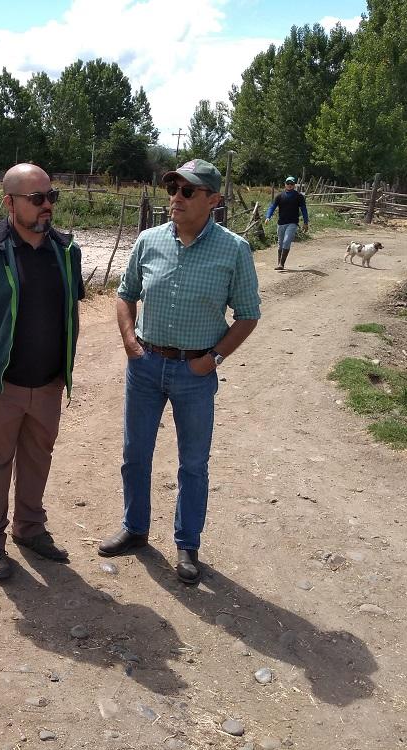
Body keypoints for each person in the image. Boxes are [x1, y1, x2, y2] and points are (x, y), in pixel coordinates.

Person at [98, 159, 261, 585]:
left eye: (188, 191)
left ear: (213, 200)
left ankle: (187, 544)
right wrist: (130, 340)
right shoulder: (149, 241)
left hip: (195, 371)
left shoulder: (234, 250)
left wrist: (213, 360)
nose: (176, 197)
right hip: (146, 365)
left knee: (193, 463)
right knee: (135, 453)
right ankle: (135, 529)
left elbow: (248, 316)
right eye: (173, 188)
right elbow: (124, 295)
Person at [0, 163, 85, 581]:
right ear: (9, 202)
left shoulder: (65, 251)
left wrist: (63, 370)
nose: (47, 206)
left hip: (47, 384)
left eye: (51, 197)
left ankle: (30, 529)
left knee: (37, 459)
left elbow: (71, 310)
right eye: (37, 198)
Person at [265, 176, 309, 270]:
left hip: (292, 223)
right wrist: (268, 217)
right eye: (288, 183)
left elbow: (304, 209)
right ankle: (279, 264)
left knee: (286, 241)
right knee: (280, 243)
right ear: (285, 184)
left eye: (291, 184)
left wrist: (306, 222)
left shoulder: (299, 196)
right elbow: (272, 207)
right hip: (281, 223)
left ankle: (281, 264)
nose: (289, 185)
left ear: (294, 185)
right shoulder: (280, 196)